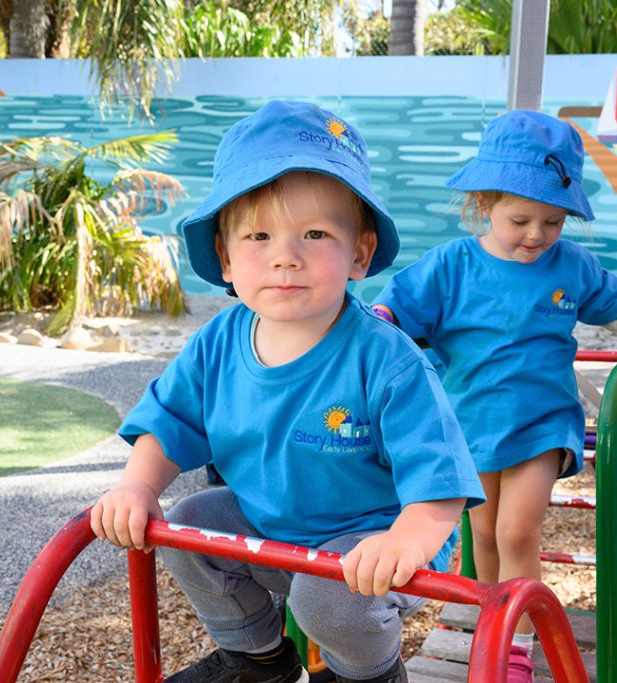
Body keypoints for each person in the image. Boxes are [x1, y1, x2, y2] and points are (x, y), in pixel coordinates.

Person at [90, 100, 486, 683]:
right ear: (225, 257)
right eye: (258, 235)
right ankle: (258, 659)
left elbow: (439, 480)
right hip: (268, 527)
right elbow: (169, 420)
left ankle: (367, 676)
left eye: (315, 233)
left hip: (369, 543)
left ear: (360, 253)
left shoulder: (386, 359)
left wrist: (406, 538)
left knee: (326, 599)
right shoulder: (220, 341)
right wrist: (136, 487)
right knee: (188, 522)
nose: (285, 255)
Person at [370, 110, 617, 683]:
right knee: (483, 536)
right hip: (471, 422)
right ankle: (493, 624)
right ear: (483, 205)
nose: (536, 235)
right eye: (520, 218)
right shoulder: (452, 265)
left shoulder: (570, 265)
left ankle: (518, 647)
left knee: (517, 533)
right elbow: (391, 313)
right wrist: (361, 336)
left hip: (542, 423)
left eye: (552, 221)